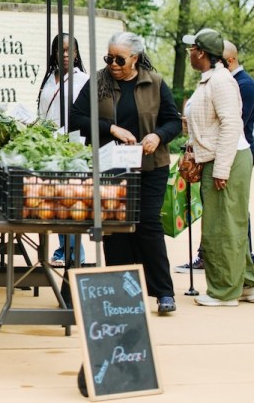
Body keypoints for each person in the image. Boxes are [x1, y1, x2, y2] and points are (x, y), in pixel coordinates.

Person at [70, 31, 181, 314]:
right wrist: (110, 127)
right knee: (115, 228)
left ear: (135, 58)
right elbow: (75, 117)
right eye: (109, 58)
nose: (113, 64)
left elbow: (173, 121)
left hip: (150, 166)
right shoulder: (98, 82)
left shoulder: (154, 83)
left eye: (119, 59)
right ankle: (122, 291)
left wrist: (157, 136)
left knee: (147, 224)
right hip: (111, 166)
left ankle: (163, 292)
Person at [182, 28, 254, 306]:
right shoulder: (211, 79)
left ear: (201, 53)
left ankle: (225, 292)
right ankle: (246, 283)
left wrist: (222, 168)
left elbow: (231, 124)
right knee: (229, 224)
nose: (189, 54)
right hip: (222, 158)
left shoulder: (220, 81)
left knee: (222, 228)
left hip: (228, 160)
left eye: (192, 49)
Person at [37, 33, 89, 267]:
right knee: (57, 201)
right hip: (49, 148)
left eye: (70, 50)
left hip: (72, 148)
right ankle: (62, 249)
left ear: (76, 53)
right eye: (60, 50)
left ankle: (75, 253)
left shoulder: (83, 80)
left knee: (70, 201)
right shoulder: (49, 79)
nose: (65, 55)